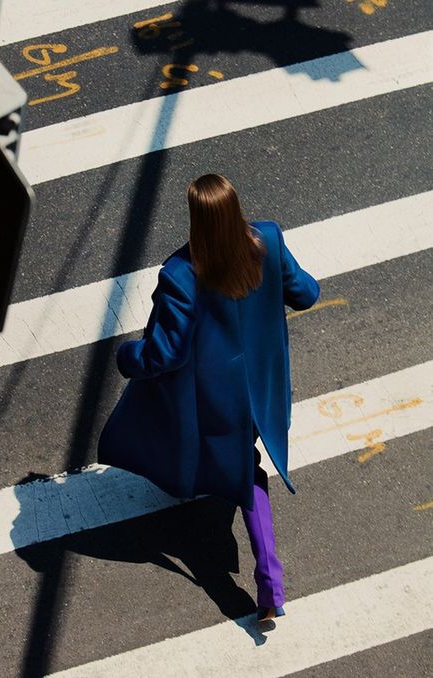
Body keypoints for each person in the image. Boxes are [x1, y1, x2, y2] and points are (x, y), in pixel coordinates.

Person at [98, 174, 320, 622]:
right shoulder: (269, 241)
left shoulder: (181, 274)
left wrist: (127, 355)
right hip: (265, 387)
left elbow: (166, 352)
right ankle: (269, 582)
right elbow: (307, 294)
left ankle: (270, 577)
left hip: (218, 400)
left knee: (243, 476)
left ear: (197, 220)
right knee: (246, 467)